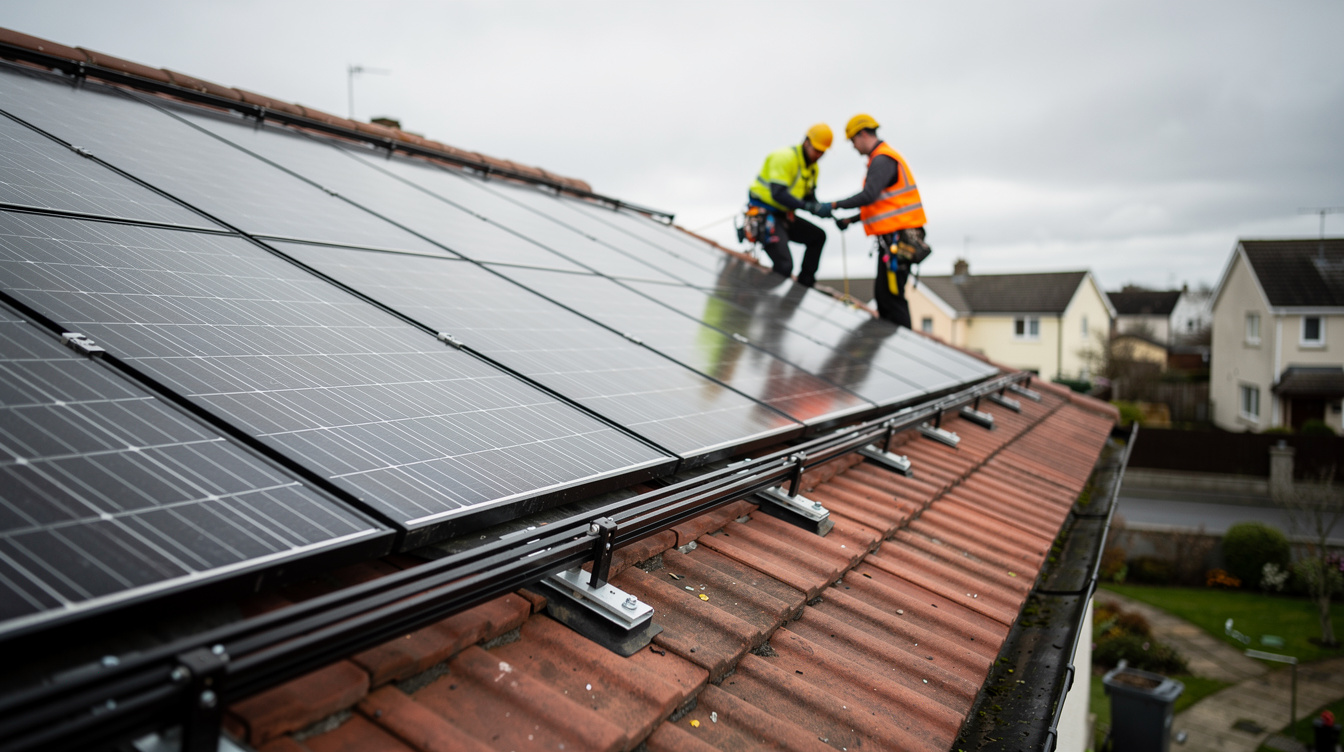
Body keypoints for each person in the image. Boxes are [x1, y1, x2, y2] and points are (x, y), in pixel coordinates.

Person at [823, 114, 929, 328]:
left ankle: (903, 346)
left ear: (862, 134)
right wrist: (851, 220)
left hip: (900, 240)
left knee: (891, 298)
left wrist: (834, 205)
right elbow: (881, 206)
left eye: (853, 141)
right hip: (895, 240)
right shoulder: (881, 159)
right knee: (884, 297)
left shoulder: (882, 159)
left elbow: (868, 195)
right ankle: (896, 346)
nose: (853, 147)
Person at [744, 124, 835, 287]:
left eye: (822, 152)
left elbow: (809, 198)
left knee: (818, 237)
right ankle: (753, 298)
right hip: (765, 215)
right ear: (806, 142)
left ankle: (804, 285)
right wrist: (808, 207)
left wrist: (824, 211)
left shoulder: (813, 169)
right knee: (784, 266)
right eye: (817, 150)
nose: (818, 155)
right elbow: (777, 193)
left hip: (784, 216)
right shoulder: (785, 157)